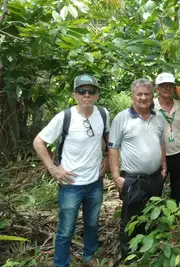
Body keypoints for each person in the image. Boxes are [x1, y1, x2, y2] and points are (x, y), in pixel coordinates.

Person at [33, 74, 110, 267]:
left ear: (97, 95)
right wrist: (53, 169)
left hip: (94, 182)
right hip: (70, 184)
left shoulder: (103, 114)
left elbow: (108, 137)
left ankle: (88, 256)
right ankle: (61, 263)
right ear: (74, 95)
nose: (86, 95)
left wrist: (108, 157)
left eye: (91, 91)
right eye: (82, 91)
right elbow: (39, 141)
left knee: (92, 224)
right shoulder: (65, 117)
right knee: (66, 229)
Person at [108, 78, 167, 263]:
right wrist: (116, 177)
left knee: (151, 216)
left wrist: (164, 167)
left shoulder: (159, 117)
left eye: (147, 94)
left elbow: (161, 142)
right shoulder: (121, 118)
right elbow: (113, 148)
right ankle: (129, 259)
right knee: (130, 220)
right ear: (133, 96)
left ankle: (146, 254)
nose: (143, 98)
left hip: (156, 177)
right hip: (133, 179)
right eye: (139, 94)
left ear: (152, 96)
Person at [153, 72, 180, 205]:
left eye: (170, 85)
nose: (167, 88)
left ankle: (175, 218)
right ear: (157, 88)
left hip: (178, 152)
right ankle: (156, 219)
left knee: (177, 188)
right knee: (156, 188)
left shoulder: (179, 105)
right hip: (158, 154)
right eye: (164, 85)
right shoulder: (151, 106)